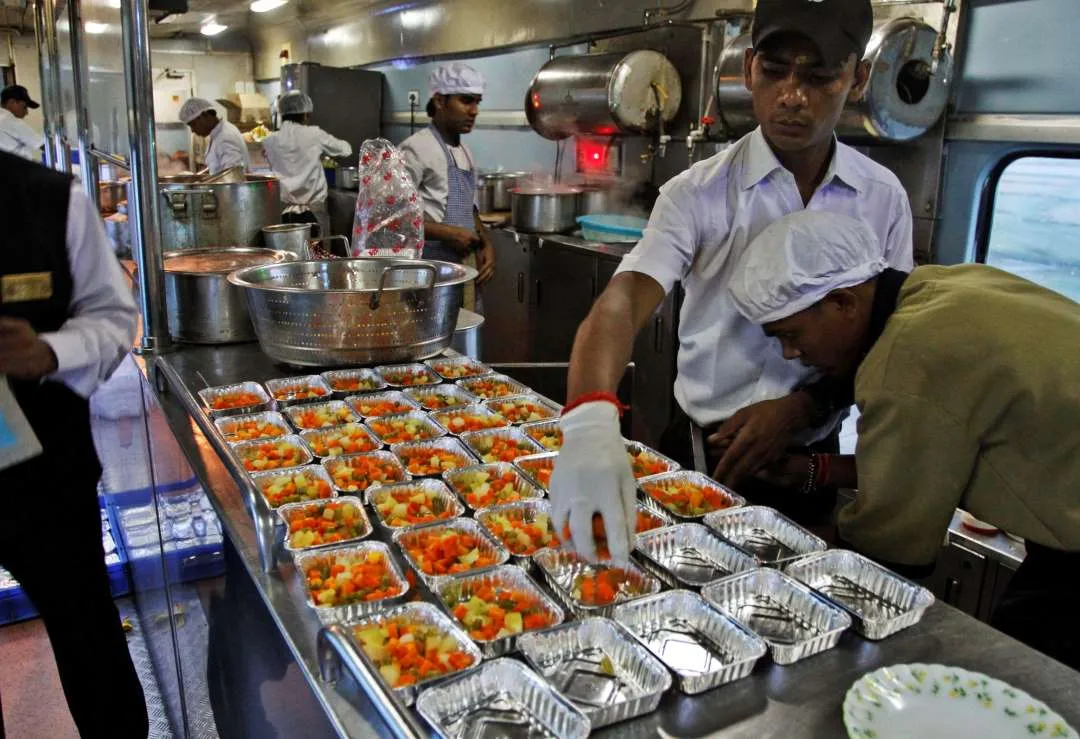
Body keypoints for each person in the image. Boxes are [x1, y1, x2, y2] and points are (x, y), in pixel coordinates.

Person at [550, 0, 915, 562]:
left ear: (858, 77)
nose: (793, 96)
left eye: (819, 77)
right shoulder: (698, 193)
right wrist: (590, 422)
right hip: (705, 454)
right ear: (749, 70)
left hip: (811, 468)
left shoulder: (882, 197)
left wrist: (805, 408)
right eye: (775, 71)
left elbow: (890, 339)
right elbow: (623, 300)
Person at [728, 209, 1080, 669]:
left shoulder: (907, 360)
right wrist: (814, 470)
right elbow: (933, 457)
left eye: (792, 335)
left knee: (1030, 673)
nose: (792, 354)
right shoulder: (942, 286)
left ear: (843, 304)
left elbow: (889, 550)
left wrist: (766, 561)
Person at [0, 151, 146, 735]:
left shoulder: (48, 199)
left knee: (86, 633)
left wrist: (48, 352)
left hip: (42, 475)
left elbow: (113, 317)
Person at [399, 62, 496, 311]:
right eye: (466, 101)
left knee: (464, 337)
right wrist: (449, 234)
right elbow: (394, 219)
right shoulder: (415, 149)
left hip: (463, 267)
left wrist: (485, 242)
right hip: (428, 270)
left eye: (477, 102)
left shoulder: (465, 152)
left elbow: (470, 209)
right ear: (440, 101)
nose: (474, 111)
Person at [261, 90, 351, 240]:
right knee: (318, 252)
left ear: (282, 114)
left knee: (289, 249)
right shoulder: (314, 134)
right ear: (306, 115)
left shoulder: (270, 140)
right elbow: (346, 149)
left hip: (283, 210)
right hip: (314, 210)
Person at [178, 97, 250, 175]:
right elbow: (218, 166)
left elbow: (232, 174)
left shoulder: (225, 136)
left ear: (204, 116)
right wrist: (198, 176)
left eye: (193, 124)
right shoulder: (218, 134)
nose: (193, 130)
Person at [0, 85, 42, 162]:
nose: (26, 112)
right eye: (25, 107)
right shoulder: (8, 119)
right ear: (12, 102)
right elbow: (42, 145)